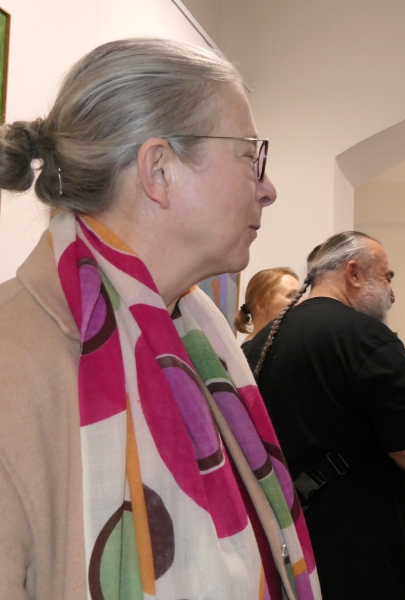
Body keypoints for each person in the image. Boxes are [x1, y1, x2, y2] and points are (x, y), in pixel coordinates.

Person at [0, 39, 321, 599]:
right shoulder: (15, 358)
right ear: (159, 170)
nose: (268, 189)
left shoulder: (197, 338)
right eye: (250, 155)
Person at [243, 231, 405, 600]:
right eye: (386, 277)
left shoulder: (259, 344)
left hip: (284, 539)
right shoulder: (369, 338)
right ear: (353, 273)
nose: (392, 294)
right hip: (359, 548)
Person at [236, 267, 300, 344]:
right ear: (262, 305)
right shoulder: (254, 350)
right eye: (291, 295)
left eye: (300, 295)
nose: (301, 301)